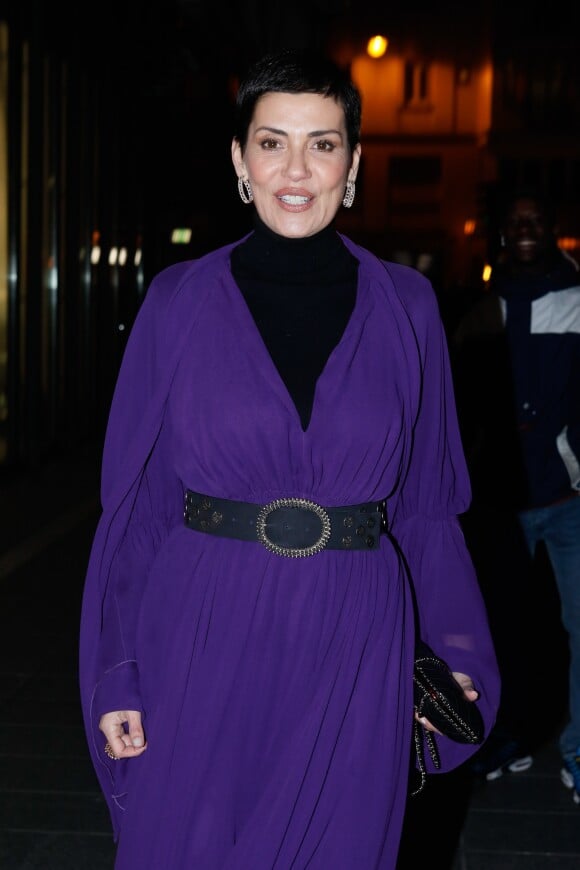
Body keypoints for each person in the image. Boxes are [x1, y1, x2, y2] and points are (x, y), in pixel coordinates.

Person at [79, 49, 500, 869]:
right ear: (240, 161)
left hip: (356, 634)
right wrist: (119, 669)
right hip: (202, 624)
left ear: (354, 163)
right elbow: (139, 508)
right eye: (272, 143)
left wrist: (455, 650)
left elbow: (426, 505)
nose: (297, 169)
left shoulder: (408, 307)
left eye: (323, 143)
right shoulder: (177, 300)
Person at [453, 185, 580, 800]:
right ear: (504, 233)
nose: (526, 227)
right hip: (499, 503)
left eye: (537, 217)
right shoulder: (481, 306)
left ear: (552, 226)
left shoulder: (579, 299)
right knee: (496, 629)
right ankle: (502, 737)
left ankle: (578, 750)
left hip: (567, 500)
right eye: (516, 220)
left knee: (579, 628)